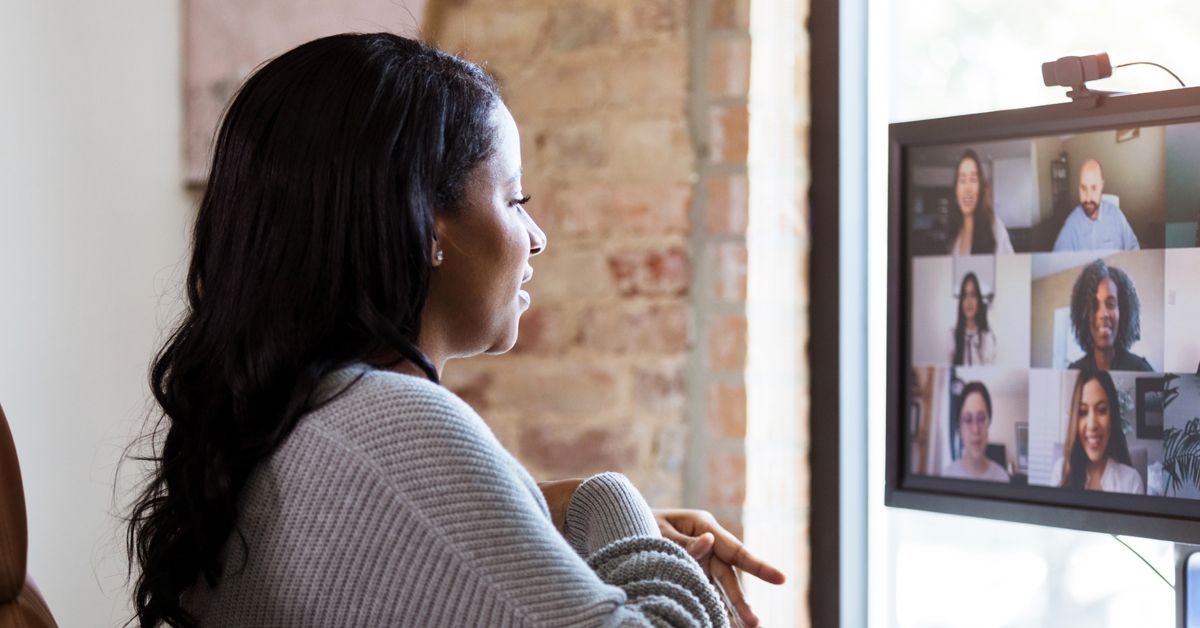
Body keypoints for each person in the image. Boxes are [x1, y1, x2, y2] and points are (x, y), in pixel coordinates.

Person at [125, 34, 784, 628]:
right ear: (427, 224)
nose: (537, 237)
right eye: (514, 199)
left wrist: (534, 507)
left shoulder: (286, 422)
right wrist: (608, 500)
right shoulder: (390, 421)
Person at [1053, 369, 1144, 493]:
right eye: (1083, 412)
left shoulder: (1131, 481)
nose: (1092, 425)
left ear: (1112, 417)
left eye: (1101, 410)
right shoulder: (1061, 471)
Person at [1067, 259, 1153, 372]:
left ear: (1122, 311)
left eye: (1110, 304)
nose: (1103, 314)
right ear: (1084, 314)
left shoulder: (1141, 369)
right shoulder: (1073, 371)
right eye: (1094, 306)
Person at [1052, 159, 1140, 252]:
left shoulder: (1116, 215)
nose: (1088, 198)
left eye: (1093, 188)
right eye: (1083, 188)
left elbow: (1134, 248)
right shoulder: (1072, 224)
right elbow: (1058, 261)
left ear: (1101, 186)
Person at [946, 149, 1015, 256]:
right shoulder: (955, 232)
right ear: (956, 190)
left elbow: (1011, 269)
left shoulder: (994, 227)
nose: (967, 188)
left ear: (981, 188)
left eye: (973, 179)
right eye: (962, 180)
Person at [941, 381, 1009, 482]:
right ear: (959, 426)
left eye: (981, 419)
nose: (976, 429)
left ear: (989, 422)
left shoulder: (1003, 478)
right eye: (968, 419)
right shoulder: (947, 476)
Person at [950, 272, 996, 366]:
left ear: (979, 300)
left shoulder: (987, 337)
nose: (968, 301)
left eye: (973, 295)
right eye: (964, 295)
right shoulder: (951, 336)